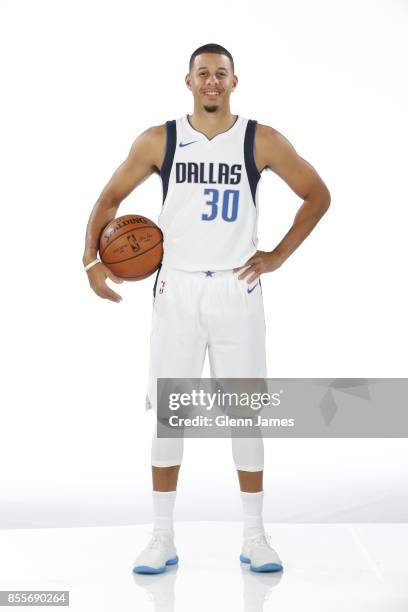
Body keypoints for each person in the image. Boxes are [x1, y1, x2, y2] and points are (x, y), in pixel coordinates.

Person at [82, 43, 331, 574]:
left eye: (221, 74)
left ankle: (255, 536)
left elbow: (317, 194)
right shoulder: (160, 140)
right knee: (171, 418)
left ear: (235, 81)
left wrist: (278, 256)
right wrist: (91, 262)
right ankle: (162, 537)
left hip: (237, 288)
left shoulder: (260, 139)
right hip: (177, 288)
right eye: (203, 74)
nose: (212, 81)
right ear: (188, 81)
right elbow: (109, 200)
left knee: (246, 416)